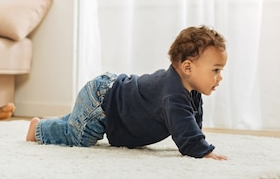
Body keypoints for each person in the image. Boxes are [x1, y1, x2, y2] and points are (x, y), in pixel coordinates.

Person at [26, 25, 228, 160]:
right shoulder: (173, 95)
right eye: (215, 70)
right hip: (103, 99)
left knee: (82, 122)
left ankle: (70, 119)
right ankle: (38, 129)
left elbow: (191, 123)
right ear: (188, 67)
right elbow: (186, 134)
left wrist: (199, 141)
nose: (219, 77)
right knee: (78, 138)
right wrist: (201, 151)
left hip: (111, 95)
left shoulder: (189, 90)